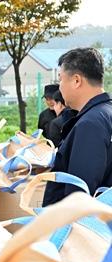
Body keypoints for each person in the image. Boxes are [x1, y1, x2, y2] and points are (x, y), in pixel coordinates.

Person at [43, 47, 112, 206]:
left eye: (60, 79)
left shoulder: (90, 124)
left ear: (76, 80)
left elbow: (79, 195)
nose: (59, 86)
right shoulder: (104, 113)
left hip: (86, 225)